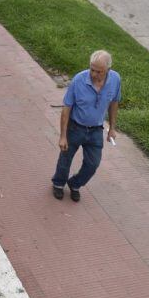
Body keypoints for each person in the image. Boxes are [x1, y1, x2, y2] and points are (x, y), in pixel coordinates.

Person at [52, 50, 121, 202]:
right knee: (65, 159)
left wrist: (112, 128)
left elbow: (114, 102)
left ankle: (75, 184)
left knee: (93, 163)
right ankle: (58, 183)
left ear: (108, 70)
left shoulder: (115, 79)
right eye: (92, 69)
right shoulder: (79, 80)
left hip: (96, 130)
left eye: (99, 71)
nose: (94, 74)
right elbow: (67, 107)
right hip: (75, 127)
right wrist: (63, 136)